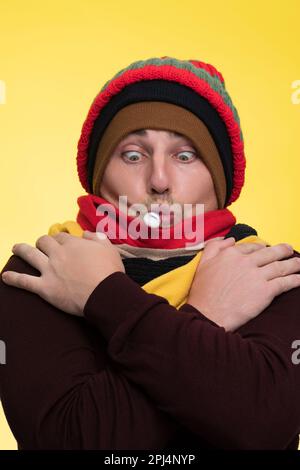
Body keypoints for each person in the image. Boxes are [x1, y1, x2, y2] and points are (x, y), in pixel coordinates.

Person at [1, 56, 300, 450]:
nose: (159, 181)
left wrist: (102, 296)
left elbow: (266, 428)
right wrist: (208, 315)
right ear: (98, 171)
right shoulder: (40, 269)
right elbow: (68, 441)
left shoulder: (276, 270)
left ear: (219, 179)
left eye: (185, 155)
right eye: (132, 154)